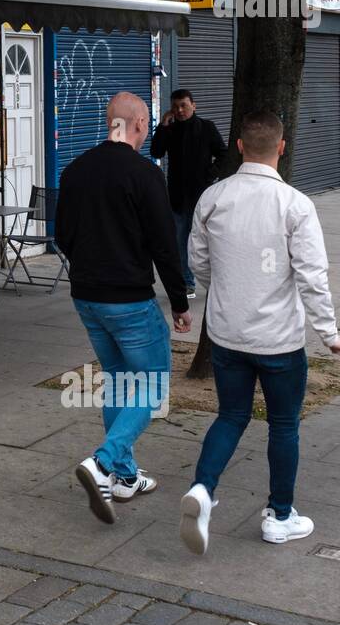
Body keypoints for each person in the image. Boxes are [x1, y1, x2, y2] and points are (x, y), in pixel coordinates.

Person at [180, 111, 340, 554]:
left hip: (227, 335)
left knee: (230, 416)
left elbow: (197, 262)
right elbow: (312, 276)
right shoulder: (295, 204)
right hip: (279, 342)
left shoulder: (213, 197)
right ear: (282, 147)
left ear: (239, 146)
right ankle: (280, 516)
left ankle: (202, 489)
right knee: (284, 425)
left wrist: (227, 288)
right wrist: (329, 331)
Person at [55, 92, 192, 524]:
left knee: (118, 381)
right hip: (129, 299)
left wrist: (86, 265)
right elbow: (164, 245)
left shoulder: (76, 169)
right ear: (134, 124)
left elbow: (62, 234)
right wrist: (180, 301)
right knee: (152, 385)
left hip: (86, 296)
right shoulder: (144, 174)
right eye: (147, 121)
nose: (149, 128)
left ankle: (125, 476)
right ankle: (102, 463)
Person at [150, 89, 227, 297]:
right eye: (176, 107)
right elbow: (156, 152)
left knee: (210, 240)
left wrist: (209, 175)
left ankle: (217, 282)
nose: (180, 110)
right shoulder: (171, 130)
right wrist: (163, 126)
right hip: (177, 196)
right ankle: (187, 283)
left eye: (184, 105)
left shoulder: (206, 128)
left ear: (194, 105)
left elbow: (223, 154)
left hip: (203, 196)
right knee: (179, 240)